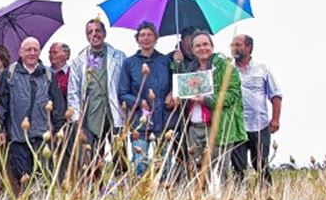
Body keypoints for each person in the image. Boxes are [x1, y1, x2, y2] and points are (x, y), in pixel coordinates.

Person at [0, 37, 66, 194]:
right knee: (23, 179)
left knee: (44, 178)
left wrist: (59, 129)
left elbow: (58, 104)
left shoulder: (48, 74)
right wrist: (0, 128)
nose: (32, 53)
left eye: (35, 49)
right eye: (28, 50)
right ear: (21, 52)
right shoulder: (10, 74)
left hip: (43, 137)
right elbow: (2, 104)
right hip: (18, 137)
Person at [181, 31, 246, 178]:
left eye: (205, 44)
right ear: (192, 50)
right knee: (196, 174)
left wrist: (207, 100)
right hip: (193, 129)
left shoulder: (225, 67)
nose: (202, 48)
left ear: (212, 46)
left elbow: (233, 94)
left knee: (217, 174)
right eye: (197, 46)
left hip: (217, 127)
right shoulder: (190, 70)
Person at [67, 18, 127, 170]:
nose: (94, 34)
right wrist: (76, 119)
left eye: (98, 31)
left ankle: (122, 189)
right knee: (93, 161)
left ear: (104, 33)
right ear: (86, 36)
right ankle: (96, 191)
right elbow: (73, 92)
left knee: (121, 157)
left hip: (115, 114)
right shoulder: (78, 61)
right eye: (90, 32)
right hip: (91, 117)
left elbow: (126, 84)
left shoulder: (119, 57)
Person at [117, 21, 174, 177]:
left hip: (163, 119)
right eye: (142, 35)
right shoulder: (129, 63)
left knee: (165, 164)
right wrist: (138, 102)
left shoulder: (165, 61)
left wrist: (172, 93)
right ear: (137, 39)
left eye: (149, 35)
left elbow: (174, 83)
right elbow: (122, 92)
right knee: (140, 163)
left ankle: (164, 195)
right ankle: (141, 194)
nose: (146, 38)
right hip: (139, 121)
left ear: (156, 38)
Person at [231, 34, 282, 183]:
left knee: (260, 164)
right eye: (233, 45)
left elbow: (275, 95)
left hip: (259, 124)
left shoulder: (262, 68)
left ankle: (265, 196)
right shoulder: (228, 70)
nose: (234, 48)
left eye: (238, 45)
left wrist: (276, 119)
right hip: (236, 126)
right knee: (238, 167)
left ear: (249, 47)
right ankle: (239, 199)